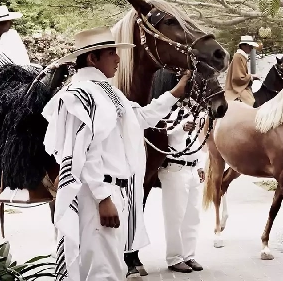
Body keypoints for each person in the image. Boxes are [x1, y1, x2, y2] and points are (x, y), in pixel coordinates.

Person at [42, 27, 190, 281]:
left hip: (114, 193)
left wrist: (174, 93)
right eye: (111, 53)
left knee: (109, 268)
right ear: (93, 58)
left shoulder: (106, 92)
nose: (118, 59)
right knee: (103, 272)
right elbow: (83, 151)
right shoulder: (81, 94)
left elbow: (140, 117)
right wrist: (102, 197)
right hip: (99, 195)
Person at [156, 70, 206, 274]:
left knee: (193, 216)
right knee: (175, 217)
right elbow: (161, 137)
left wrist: (201, 164)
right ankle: (174, 257)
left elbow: (195, 140)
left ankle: (189, 255)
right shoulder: (163, 109)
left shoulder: (189, 110)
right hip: (174, 168)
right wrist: (180, 129)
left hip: (192, 168)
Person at [224, 35, 261, 105]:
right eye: (250, 46)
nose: (251, 48)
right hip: (236, 89)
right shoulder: (238, 57)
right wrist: (252, 77)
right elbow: (238, 78)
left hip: (241, 86)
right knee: (251, 103)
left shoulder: (241, 57)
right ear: (244, 46)